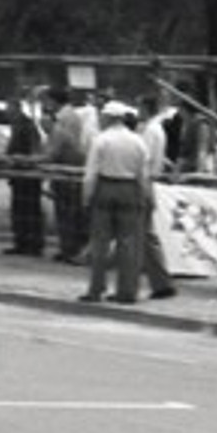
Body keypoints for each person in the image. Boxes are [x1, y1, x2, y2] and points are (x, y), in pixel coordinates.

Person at [79, 101, 150, 305]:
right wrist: (143, 196)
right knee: (128, 243)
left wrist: (86, 196)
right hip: (129, 189)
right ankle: (127, 291)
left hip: (106, 187)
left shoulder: (101, 140)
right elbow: (142, 174)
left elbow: (91, 173)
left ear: (109, 118)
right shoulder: (138, 141)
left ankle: (96, 288)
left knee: (100, 242)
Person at [42, 86, 89, 263]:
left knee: (68, 210)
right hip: (64, 165)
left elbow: (57, 146)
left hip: (68, 167)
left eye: (47, 101)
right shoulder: (67, 116)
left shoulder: (64, 119)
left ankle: (71, 248)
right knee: (66, 210)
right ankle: (67, 246)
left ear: (54, 101)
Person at [137, 94, 176, 299]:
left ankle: (161, 283)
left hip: (145, 182)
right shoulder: (157, 129)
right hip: (151, 180)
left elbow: (144, 158)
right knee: (144, 235)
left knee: (144, 235)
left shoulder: (150, 130)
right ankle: (157, 281)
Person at [4, 95, 45, 256]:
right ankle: (21, 242)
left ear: (16, 109)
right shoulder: (18, 125)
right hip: (19, 174)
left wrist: (21, 160)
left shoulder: (26, 126)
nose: (6, 114)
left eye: (9, 110)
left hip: (27, 174)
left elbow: (34, 149)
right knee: (21, 210)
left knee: (28, 210)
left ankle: (32, 244)